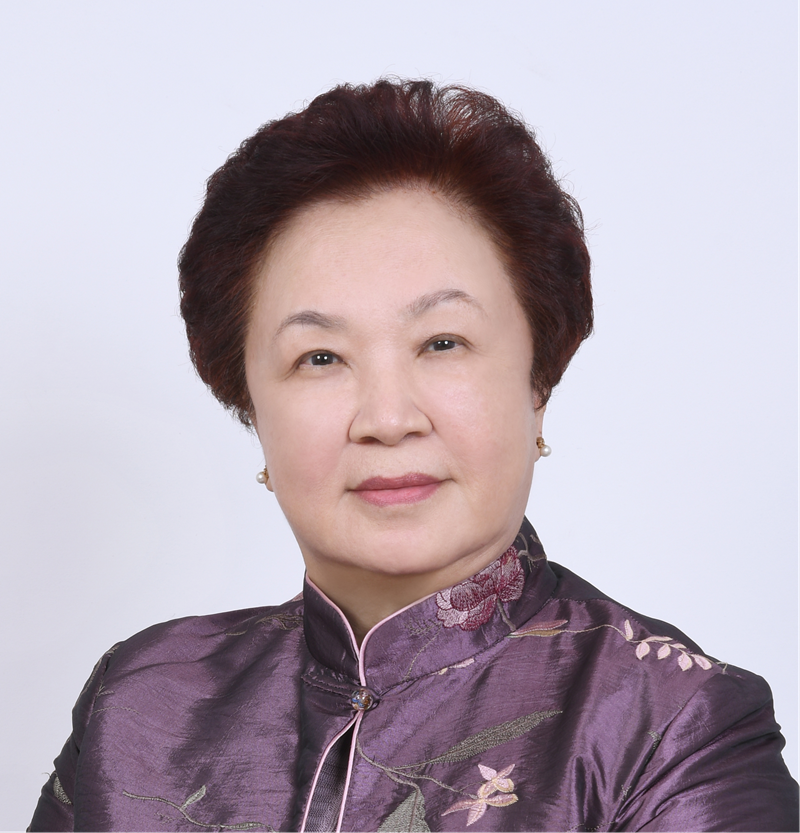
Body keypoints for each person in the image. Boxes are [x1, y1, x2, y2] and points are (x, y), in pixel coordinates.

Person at [29, 79, 798, 833]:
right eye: (320, 357)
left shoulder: (671, 728)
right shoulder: (140, 704)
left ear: (538, 383)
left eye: (442, 342)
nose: (388, 418)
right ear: (252, 406)